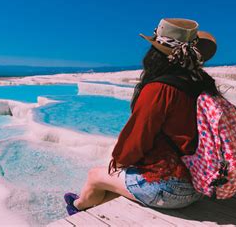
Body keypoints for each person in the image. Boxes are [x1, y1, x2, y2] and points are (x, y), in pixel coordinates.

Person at [64, 18, 220, 215]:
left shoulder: (160, 89)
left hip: (171, 189)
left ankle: (75, 209)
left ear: (156, 55)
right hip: (201, 184)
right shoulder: (200, 84)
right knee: (115, 184)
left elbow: (136, 140)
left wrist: (118, 164)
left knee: (95, 176)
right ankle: (85, 206)